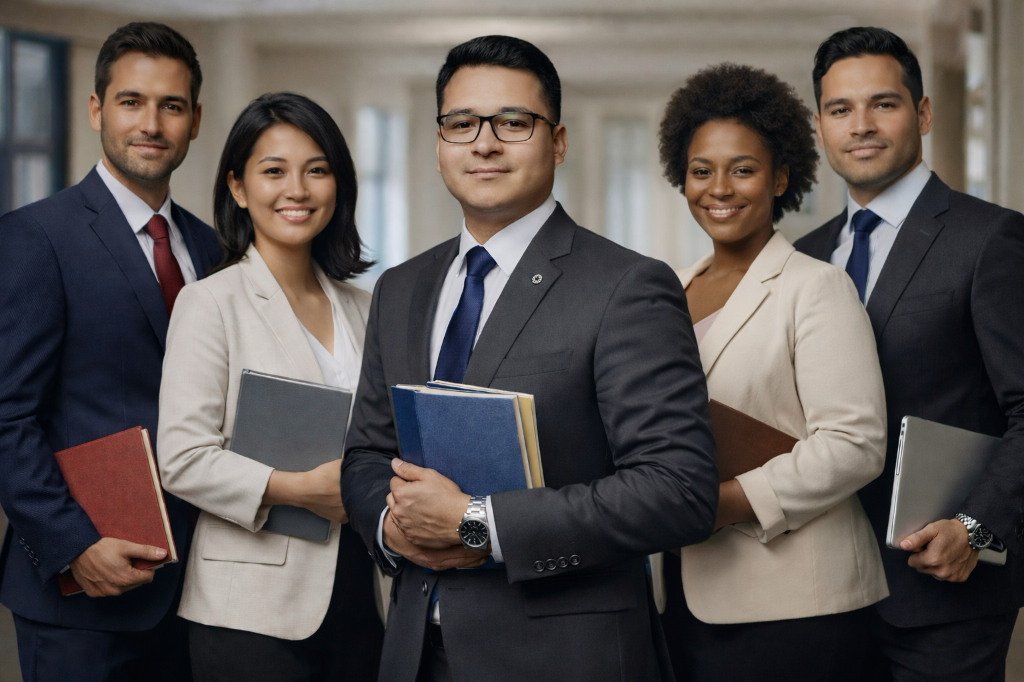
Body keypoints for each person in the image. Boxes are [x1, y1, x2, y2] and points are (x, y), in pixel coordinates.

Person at [341, 35, 719, 682]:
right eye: (460, 124)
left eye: (512, 122)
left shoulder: (625, 285)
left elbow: (677, 490)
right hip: (415, 653)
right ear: (439, 146)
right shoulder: (401, 289)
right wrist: (389, 525)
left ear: (558, 141)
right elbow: (368, 455)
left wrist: (476, 524)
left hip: (565, 657)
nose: (483, 143)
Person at [794, 26, 1024, 681]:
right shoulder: (806, 256)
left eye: (883, 104)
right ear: (820, 126)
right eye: (840, 110)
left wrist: (976, 529)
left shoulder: (989, 240)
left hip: (944, 591)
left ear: (921, 113)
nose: (860, 125)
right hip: (825, 592)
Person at [0, 21, 221, 681]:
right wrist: (74, 546)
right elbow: (7, 416)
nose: (151, 123)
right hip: (84, 598)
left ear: (195, 119)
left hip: (196, 590)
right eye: (131, 102)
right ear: (97, 109)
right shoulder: (35, 237)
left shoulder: (212, 249)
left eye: (171, 106)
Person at [656, 63, 889, 681]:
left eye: (743, 169)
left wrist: (724, 504)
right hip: (682, 594)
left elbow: (855, 444)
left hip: (796, 604)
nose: (719, 188)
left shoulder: (816, 287)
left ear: (781, 177)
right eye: (701, 171)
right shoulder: (668, 291)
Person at [156, 92, 383, 681]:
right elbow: (181, 459)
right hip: (250, 606)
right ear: (238, 188)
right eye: (274, 171)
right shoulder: (210, 303)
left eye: (317, 170)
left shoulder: (367, 307)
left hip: (367, 590)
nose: (298, 190)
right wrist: (297, 489)